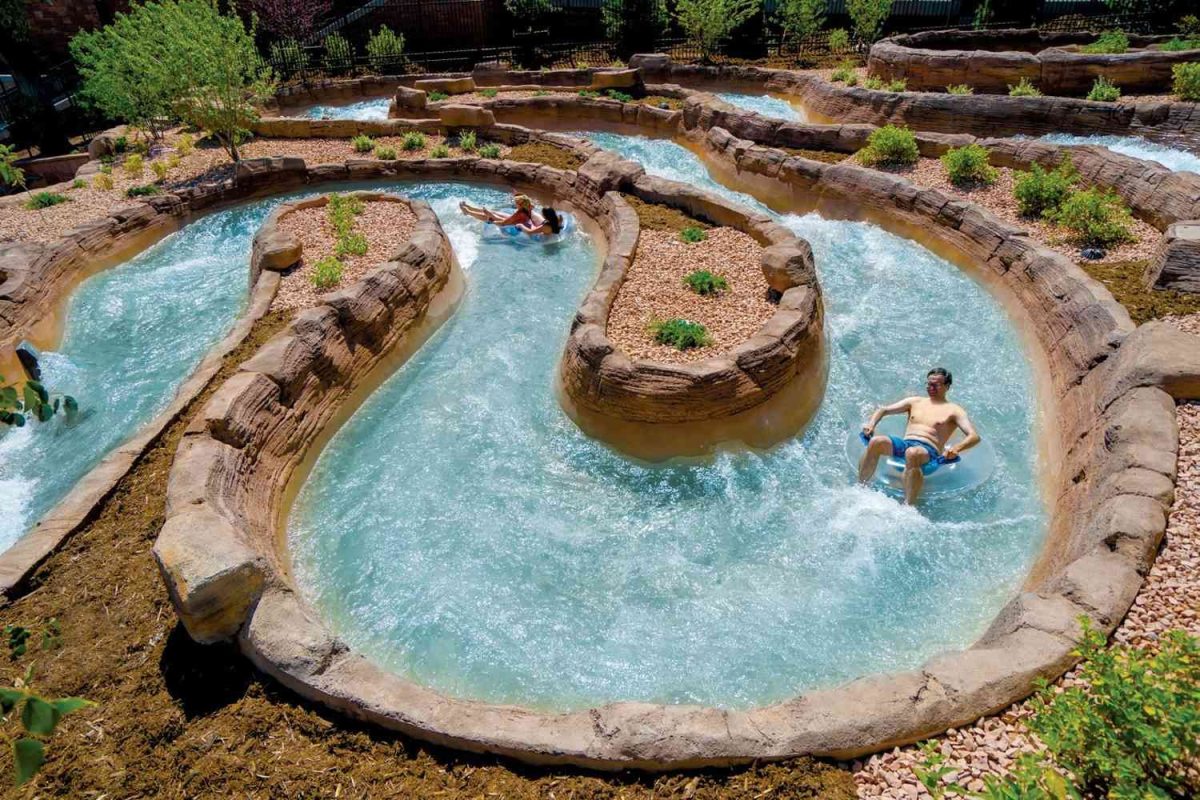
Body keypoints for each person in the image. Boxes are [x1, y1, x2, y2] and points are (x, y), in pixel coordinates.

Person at [857, 367, 980, 505]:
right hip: (906, 444)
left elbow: (974, 436)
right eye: (929, 384)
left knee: (913, 453)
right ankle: (860, 487)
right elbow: (883, 410)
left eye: (936, 385)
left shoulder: (955, 411)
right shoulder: (915, 402)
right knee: (876, 441)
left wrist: (956, 449)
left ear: (947, 386)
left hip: (929, 452)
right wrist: (871, 425)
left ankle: (908, 506)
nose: (930, 387)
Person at [459, 193, 536, 228]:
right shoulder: (528, 206)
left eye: (516, 203)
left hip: (516, 226)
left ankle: (468, 212)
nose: (514, 204)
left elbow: (503, 223)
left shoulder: (520, 213)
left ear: (520, 205)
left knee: (488, 217)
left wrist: (492, 219)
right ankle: (470, 208)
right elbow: (530, 203)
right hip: (520, 221)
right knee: (494, 213)